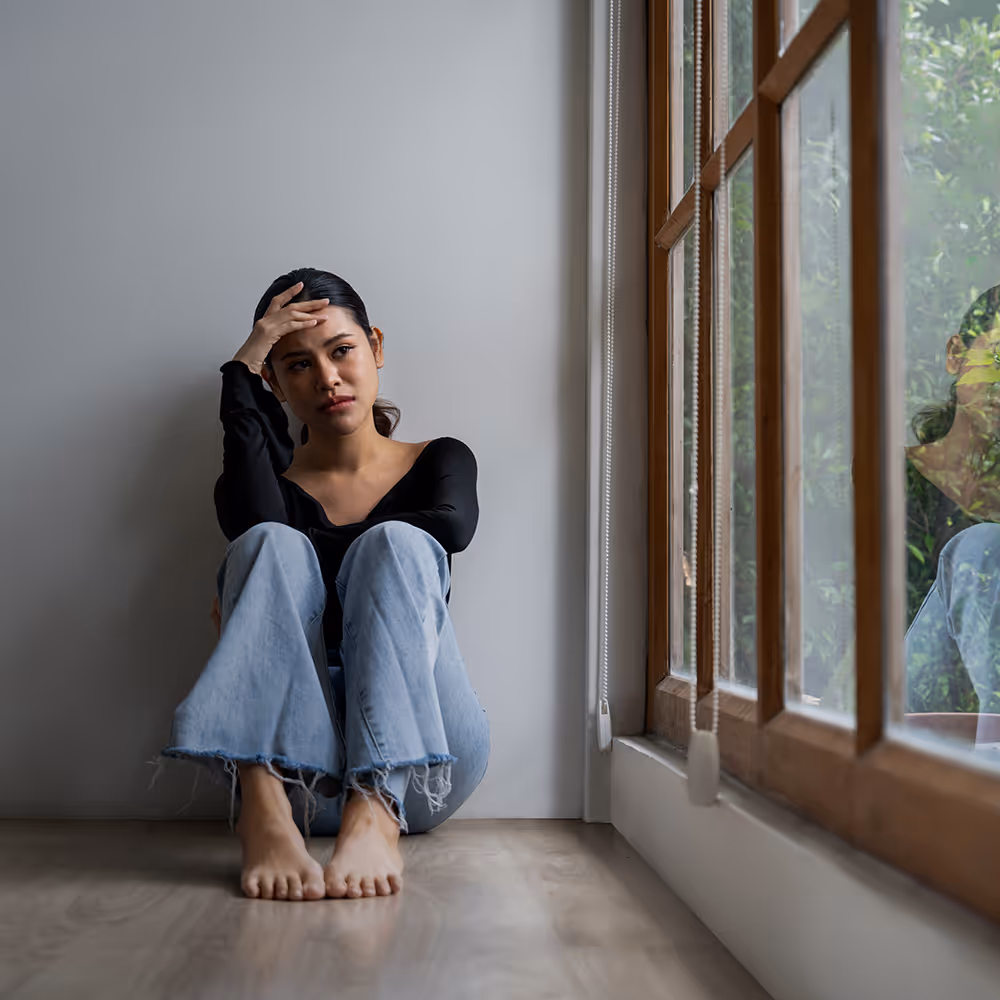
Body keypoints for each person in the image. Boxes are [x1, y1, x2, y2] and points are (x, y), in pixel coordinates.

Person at [158, 268, 491, 901]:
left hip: (425, 763)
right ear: (276, 383)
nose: (327, 378)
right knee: (264, 544)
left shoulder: (439, 460)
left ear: (376, 347)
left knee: (393, 544)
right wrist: (239, 373)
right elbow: (251, 526)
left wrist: (268, 593)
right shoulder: (274, 494)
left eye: (341, 350)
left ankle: (376, 810)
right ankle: (260, 810)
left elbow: (452, 529)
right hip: (294, 775)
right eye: (296, 365)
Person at [905, 284, 1000, 737]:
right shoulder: (887, 477)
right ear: (955, 354)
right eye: (997, 358)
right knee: (985, 547)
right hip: (907, 714)